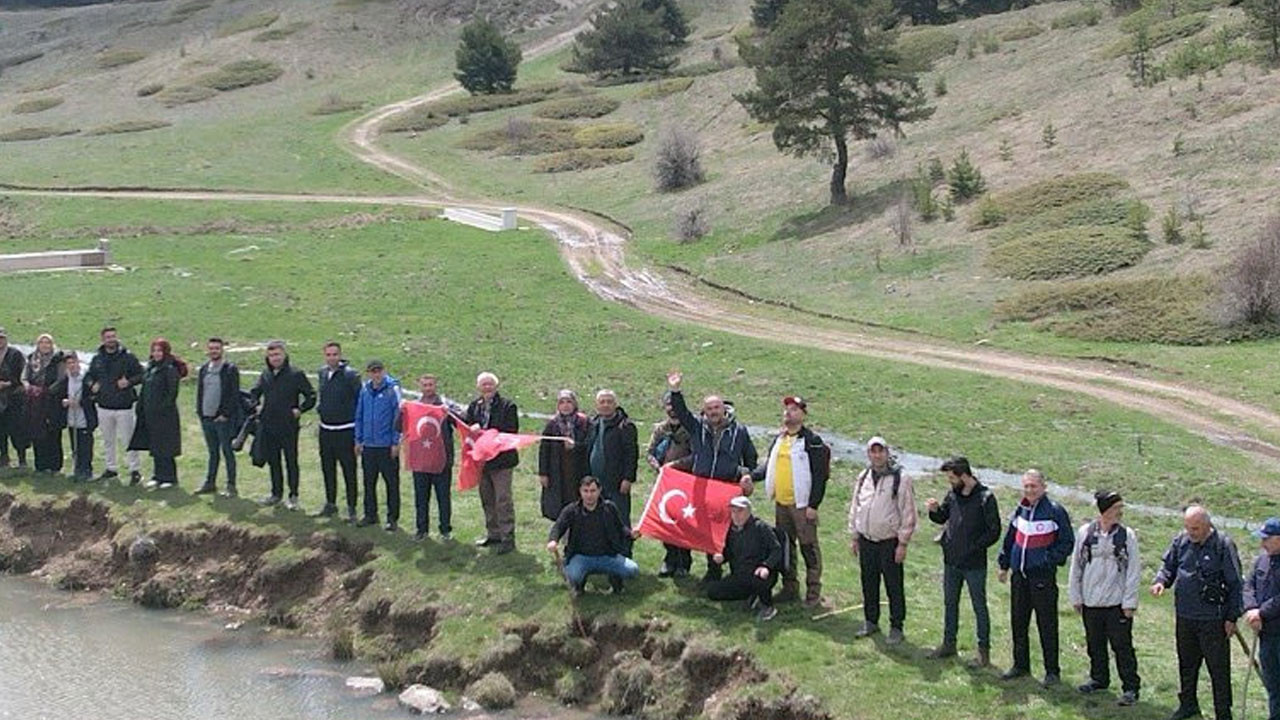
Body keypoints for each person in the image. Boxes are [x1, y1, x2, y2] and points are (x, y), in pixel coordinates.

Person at [1152, 505, 1243, 720]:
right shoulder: (1181, 541)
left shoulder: (1223, 545)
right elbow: (1168, 566)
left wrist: (1232, 617)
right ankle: (1188, 705)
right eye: (1188, 528)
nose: (1191, 533)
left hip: (1213, 620)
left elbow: (1236, 583)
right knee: (1187, 664)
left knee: (1218, 670)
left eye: (1195, 528)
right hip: (1185, 616)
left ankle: (1223, 712)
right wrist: (1161, 581)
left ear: (1207, 525)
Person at [665, 371, 757, 581]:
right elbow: (681, 412)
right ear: (704, 412)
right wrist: (675, 390)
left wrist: (747, 475)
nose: (713, 412)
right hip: (702, 487)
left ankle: (736, 573)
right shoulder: (697, 427)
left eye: (717, 408)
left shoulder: (739, 431)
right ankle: (712, 571)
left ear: (724, 409)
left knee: (728, 531)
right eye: (709, 409)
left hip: (726, 488)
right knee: (707, 530)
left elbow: (750, 459)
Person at [751, 395, 830, 606]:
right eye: (787, 409)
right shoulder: (779, 440)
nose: (788, 413)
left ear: (803, 415)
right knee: (786, 547)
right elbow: (769, 466)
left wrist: (813, 505)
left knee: (809, 548)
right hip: (781, 503)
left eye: (794, 409)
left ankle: (813, 591)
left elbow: (820, 475)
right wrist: (751, 476)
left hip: (802, 505)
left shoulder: (812, 442)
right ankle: (790, 587)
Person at [997, 469, 1073, 686]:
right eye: (1026, 486)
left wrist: (1047, 560)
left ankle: (1052, 671)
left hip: (1042, 578)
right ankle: (1020, 665)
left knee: (1046, 624)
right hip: (1019, 576)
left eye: (1034, 486)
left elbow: (1067, 542)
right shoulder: (1020, 509)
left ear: (1043, 487)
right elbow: (1010, 538)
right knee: (1018, 622)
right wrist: (1004, 564)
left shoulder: (1055, 511)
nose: (1030, 490)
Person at [1067, 490, 1142, 706]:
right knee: (1095, 643)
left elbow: (1133, 570)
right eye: (1116, 508)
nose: (1120, 512)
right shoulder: (1085, 533)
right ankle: (1099, 679)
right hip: (1091, 601)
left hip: (1117, 603)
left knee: (1122, 647)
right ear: (1105, 510)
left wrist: (1129, 603)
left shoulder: (1127, 536)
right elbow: (1076, 566)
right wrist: (1076, 596)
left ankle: (1130, 687)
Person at [925, 456, 1001, 666]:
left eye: (952, 478)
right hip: (951, 561)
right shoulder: (953, 494)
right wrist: (934, 511)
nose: (950, 482)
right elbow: (943, 517)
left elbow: (994, 531)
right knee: (950, 604)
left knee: (979, 606)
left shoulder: (986, 498)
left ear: (964, 476)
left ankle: (983, 651)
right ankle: (948, 644)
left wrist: (974, 547)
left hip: (974, 564)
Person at [848, 436, 917, 644]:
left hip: (889, 542)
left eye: (881, 451)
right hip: (866, 540)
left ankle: (897, 627)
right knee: (868, 582)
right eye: (873, 451)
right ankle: (871, 621)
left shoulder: (901, 479)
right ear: (868, 454)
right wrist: (854, 536)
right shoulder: (863, 477)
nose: (877, 456)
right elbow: (855, 506)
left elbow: (908, 512)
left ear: (887, 453)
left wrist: (903, 543)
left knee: (893, 585)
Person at [250, 340, 316, 508]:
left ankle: (293, 496)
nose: (275, 358)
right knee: (273, 461)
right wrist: (256, 405)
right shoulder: (266, 374)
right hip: (269, 426)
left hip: (288, 426)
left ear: (284, 355)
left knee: (291, 461)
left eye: (278, 354)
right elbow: (254, 392)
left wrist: (300, 410)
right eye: (271, 355)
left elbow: (311, 396)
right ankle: (276, 494)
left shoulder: (296, 374)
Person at [547, 476, 639, 595]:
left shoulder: (609, 508)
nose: (589, 495)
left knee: (632, 570)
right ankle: (579, 585)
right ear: (580, 491)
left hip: (608, 556)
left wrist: (631, 534)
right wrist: (553, 540)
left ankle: (615, 580)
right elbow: (558, 526)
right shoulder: (572, 510)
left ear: (599, 490)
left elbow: (620, 528)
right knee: (573, 575)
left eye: (592, 491)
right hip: (581, 557)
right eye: (585, 491)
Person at [464, 371, 519, 554]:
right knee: (487, 498)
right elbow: (466, 424)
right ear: (478, 387)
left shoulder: (508, 406)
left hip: (502, 461)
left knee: (503, 499)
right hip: (482, 461)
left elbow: (511, 430)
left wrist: (485, 431)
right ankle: (493, 533)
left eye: (490, 384)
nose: (487, 387)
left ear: (496, 386)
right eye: (483, 384)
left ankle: (508, 537)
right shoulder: (474, 406)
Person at [708, 495, 783, 622]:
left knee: (759, 578)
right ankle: (751, 595)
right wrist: (721, 557)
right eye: (733, 512)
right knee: (713, 592)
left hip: (760, 574)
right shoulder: (731, 531)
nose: (736, 515)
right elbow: (729, 553)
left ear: (748, 511)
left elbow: (776, 550)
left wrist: (766, 566)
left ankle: (767, 607)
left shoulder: (761, 527)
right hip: (740, 575)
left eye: (740, 511)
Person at [85, 327, 145, 485]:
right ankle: (111, 468)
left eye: (113, 336)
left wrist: (129, 382)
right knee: (108, 440)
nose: (111, 339)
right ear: (103, 339)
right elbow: (89, 376)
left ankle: (134, 470)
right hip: (104, 406)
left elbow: (141, 374)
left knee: (128, 440)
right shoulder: (97, 358)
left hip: (124, 406)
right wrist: (92, 384)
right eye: (108, 337)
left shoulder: (128, 357)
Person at [409, 374, 463, 541]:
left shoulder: (444, 405)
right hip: (420, 460)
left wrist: (450, 413)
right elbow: (399, 426)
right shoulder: (414, 406)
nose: (428, 388)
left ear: (435, 386)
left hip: (441, 460)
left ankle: (445, 529)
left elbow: (462, 421)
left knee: (443, 497)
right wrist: (402, 410)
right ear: (420, 386)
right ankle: (421, 529)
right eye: (425, 385)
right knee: (421, 497)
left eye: (430, 385)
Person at [647, 391, 694, 578]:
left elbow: (695, 456)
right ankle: (670, 558)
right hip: (664, 482)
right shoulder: (660, 429)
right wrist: (657, 466)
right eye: (669, 405)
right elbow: (650, 452)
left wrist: (675, 465)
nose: (672, 409)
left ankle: (684, 561)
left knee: (684, 522)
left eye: (675, 406)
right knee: (666, 520)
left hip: (685, 482)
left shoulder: (691, 429)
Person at [128, 338, 187, 489]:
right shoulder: (150, 368)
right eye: (154, 351)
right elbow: (145, 389)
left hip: (165, 415)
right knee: (155, 445)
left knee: (166, 446)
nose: (156, 354)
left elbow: (172, 393)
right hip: (150, 415)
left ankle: (170, 477)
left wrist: (161, 409)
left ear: (165, 352)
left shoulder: (169, 369)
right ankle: (158, 476)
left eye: (159, 351)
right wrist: (141, 407)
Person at [355, 360, 402, 532]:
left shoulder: (392, 390)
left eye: (378, 371)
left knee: (391, 483)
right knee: (369, 482)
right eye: (372, 371)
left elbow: (399, 417)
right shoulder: (365, 390)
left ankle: (392, 518)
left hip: (386, 445)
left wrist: (395, 442)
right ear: (368, 373)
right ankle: (370, 514)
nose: (376, 374)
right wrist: (358, 439)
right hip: (369, 445)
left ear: (384, 371)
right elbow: (359, 415)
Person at [316, 342, 361, 520]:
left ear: (340, 355)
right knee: (328, 468)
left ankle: (351, 507)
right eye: (328, 355)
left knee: (349, 469)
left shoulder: (351, 375)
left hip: (345, 430)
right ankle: (330, 503)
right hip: (326, 430)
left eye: (334, 354)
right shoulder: (322, 373)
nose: (331, 358)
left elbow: (359, 401)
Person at [194, 337, 241, 497]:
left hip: (222, 420)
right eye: (211, 348)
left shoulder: (230, 369)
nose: (214, 351)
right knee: (212, 452)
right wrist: (200, 412)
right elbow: (200, 392)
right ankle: (210, 483)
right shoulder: (204, 369)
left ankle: (231, 485)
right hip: (206, 418)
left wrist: (225, 414)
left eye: (217, 348)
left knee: (227, 452)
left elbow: (234, 395)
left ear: (222, 350)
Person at [1244, 517, 1280, 720]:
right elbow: (1248, 586)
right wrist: (1251, 609)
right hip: (1266, 634)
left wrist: (1261, 612)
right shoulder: (1262, 560)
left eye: (1266, 539)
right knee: (1273, 683)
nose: (1262, 543)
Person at [584, 389, 638, 525]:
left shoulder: (625, 426)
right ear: (596, 405)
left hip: (616, 483)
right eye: (602, 402)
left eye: (609, 402)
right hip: (595, 482)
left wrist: (628, 478)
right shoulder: (593, 424)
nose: (605, 405)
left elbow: (631, 454)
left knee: (619, 519)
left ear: (615, 404)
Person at [538, 389, 590, 522]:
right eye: (562, 402)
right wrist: (543, 473)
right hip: (557, 470)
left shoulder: (584, 422)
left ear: (575, 404)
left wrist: (576, 446)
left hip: (578, 469)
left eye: (569, 402)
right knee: (558, 502)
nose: (565, 405)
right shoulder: (552, 424)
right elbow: (544, 449)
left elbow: (589, 443)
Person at [24, 334, 65, 473]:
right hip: (35, 401)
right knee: (37, 431)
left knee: (53, 432)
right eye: (42, 342)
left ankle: (55, 465)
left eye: (48, 342)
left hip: (52, 400)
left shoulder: (58, 359)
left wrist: (46, 391)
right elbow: (25, 377)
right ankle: (40, 465)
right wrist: (29, 388)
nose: (45, 345)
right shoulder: (31, 358)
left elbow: (61, 378)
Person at [52, 353, 96, 481]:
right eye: (69, 364)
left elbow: (94, 397)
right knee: (75, 445)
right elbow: (55, 391)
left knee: (85, 446)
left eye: (73, 362)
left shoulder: (86, 378)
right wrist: (64, 401)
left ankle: (87, 471)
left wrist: (80, 402)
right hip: (72, 418)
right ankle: (77, 469)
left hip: (85, 418)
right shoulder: (66, 379)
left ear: (78, 362)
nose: (72, 366)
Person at [0, 328, 27, 469]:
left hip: (14, 398)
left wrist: (8, 383)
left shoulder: (15, 354)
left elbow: (21, 375)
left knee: (17, 430)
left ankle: (22, 459)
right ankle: (4, 458)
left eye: (2, 338)